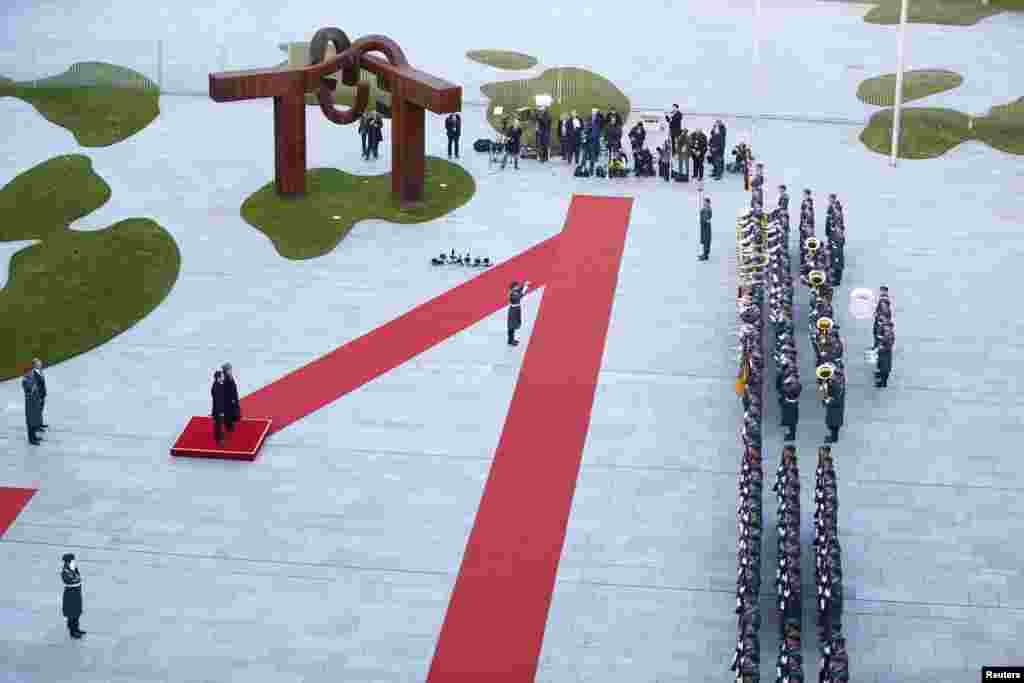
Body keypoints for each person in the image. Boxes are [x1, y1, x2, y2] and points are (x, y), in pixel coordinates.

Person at [61, 553, 85, 638]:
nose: (74, 562)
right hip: (71, 594)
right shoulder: (65, 571)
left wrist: (77, 578)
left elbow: (78, 577)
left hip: (76, 593)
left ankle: (77, 628)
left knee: (77, 612)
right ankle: (73, 631)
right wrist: (77, 578)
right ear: (68, 562)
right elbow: (71, 580)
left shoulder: (73, 568)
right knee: (72, 613)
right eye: (72, 560)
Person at [22, 366, 43, 445]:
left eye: (31, 372)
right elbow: (28, 391)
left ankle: (34, 436)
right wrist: (33, 388)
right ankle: (31, 439)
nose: (31, 373)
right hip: (30, 404)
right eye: (29, 372)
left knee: (34, 421)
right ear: (26, 373)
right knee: (30, 422)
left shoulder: (31, 379)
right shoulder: (25, 380)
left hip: (34, 402)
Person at [507, 280, 530, 346]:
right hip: (513, 310)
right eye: (516, 286)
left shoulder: (514, 291)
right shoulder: (512, 293)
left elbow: (520, 289)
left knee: (513, 326)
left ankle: (511, 340)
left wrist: (524, 284)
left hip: (516, 309)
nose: (518, 287)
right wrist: (525, 289)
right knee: (511, 326)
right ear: (513, 287)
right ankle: (510, 341)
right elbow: (519, 296)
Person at [824, 377, 844, 443]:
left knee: (834, 425)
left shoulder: (838, 388)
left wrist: (828, 401)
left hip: (835, 410)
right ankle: (833, 437)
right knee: (832, 425)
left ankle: (834, 438)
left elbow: (837, 400)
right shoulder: (836, 387)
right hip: (833, 409)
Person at [222, 363, 240, 432]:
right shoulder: (225, 378)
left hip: (232, 397)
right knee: (229, 411)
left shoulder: (229, 376)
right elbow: (227, 389)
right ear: (226, 370)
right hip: (229, 398)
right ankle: (229, 426)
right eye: (229, 369)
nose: (230, 370)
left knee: (233, 410)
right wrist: (231, 399)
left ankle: (232, 422)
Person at [211, 370, 227, 445]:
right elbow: (218, 401)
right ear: (218, 378)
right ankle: (220, 440)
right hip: (218, 410)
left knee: (218, 424)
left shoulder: (219, 385)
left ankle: (218, 438)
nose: (223, 378)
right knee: (219, 425)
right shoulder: (216, 387)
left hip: (219, 409)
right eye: (222, 376)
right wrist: (221, 412)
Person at [33, 357, 48, 431]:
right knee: (37, 411)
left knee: (40, 410)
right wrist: (38, 396)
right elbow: (36, 386)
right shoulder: (34, 373)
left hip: (42, 394)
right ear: (35, 365)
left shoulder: (40, 372)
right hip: (38, 395)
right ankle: (37, 426)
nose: (40, 364)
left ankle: (40, 423)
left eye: (40, 363)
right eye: (39, 363)